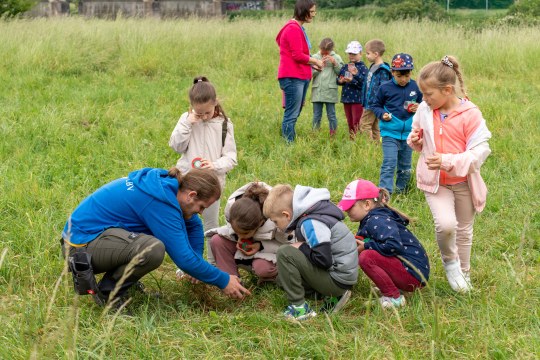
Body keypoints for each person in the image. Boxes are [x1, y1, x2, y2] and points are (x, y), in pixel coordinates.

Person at [61, 167, 250, 308]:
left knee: (146, 243)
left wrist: (198, 262)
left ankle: (126, 285)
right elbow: (184, 259)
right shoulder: (160, 203)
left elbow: (193, 224)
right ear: (191, 195)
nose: (200, 213)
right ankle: (109, 293)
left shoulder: (168, 187)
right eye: (201, 207)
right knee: (152, 249)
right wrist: (223, 280)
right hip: (79, 248)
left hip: (97, 238)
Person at [408, 55, 491, 293]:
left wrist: (447, 161)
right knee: (446, 225)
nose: (423, 99)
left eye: (428, 94)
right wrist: (415, 139)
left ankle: (464, 274)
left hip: (464, 181)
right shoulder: (425, 110)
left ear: (447, 90)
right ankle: (451, 263)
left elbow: (479, 152)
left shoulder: (470, 114)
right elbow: (416, 133)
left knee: (464, 230)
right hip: (435, 183)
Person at [263, 184, 358, 320]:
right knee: (282, 279)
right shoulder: (312, 214)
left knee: (285, 252)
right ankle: (332, 297)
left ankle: (299, 309)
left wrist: (301, 247)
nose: (276, 226)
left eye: (275, 221)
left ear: (286, 215)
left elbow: (323, 260)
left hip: (338, 280)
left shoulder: (311, 222)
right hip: (341, 276)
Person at [169, 76, 237, 265]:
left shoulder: (224, 124)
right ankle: (187, 265)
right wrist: (188, 123)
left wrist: (214, 165)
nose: (204, 117)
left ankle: (211, 264)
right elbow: (176, 146)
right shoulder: (186, 120)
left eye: (207, 112)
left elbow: (231, 158)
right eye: (199, 113)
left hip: (211, 185)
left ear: (215, 103)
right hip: (187, 183)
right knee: (184, 224)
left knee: (210, 225)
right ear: (191, 107)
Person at [337, 179, 430, 308]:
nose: (346, 211)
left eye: (351, 206)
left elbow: (394, 245)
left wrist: (366, 246)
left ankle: (393, 297)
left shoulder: (377, 220)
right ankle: (394, 287)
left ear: (367, 204)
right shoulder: (373, 217)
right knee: (367, 253)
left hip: (413, 275)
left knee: (367, 257)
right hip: (413, 272)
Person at [206, 182, 291, 285]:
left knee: (263, 268)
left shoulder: (276, 216)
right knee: (217, 241)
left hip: (270, 254)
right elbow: (232, 231)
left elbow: (289, 247)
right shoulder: (233, 208)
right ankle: (231, 283)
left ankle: (272, 279)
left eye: (245, 233)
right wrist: (235, 236)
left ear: (260, 224)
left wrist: (261, 246)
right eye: (237, 231)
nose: (240, 237)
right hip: (248, 252)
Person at [372, 53, 423, 194]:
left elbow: (425, 104)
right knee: (389, 163)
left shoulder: (416, 87)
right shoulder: (385, 88)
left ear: (411, 73)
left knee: (405, 166)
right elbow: (375, 105)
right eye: (399, 76)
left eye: (407, 76)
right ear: (392, 72)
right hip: (390, 132)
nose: (403, 80)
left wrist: (419, 107)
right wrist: (383, 115)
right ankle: (386, 193)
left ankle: (401, 191)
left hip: (409, 134)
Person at [276, 0, 324, 143]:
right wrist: (315, 61)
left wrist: (311, 65)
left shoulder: (298, 28)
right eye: (312, 11)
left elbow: (295, 56)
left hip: (299, 75)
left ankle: (289, 140)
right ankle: (288, 144)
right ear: (304, 11)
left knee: (295, 112)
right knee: (291, 113)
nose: (314, 15)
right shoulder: (293, 29)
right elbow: (297, 55)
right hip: (292, 77)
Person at [359, 39, 392, 142]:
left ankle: (368, 146)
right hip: (369, 102)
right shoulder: (373, 66)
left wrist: (379, 102)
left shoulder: (383, 70)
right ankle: (376, 146)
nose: (366, 56)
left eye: (368, 53)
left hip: (374, 103)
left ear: (376, 54)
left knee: (364, 124)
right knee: (374, 126)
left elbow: (384, 88)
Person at [311, 37, 344, 136]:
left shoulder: (337, 57)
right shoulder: (314, 57)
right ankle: (315, 134)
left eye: (327, 52)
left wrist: (335, 63)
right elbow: (310, 74)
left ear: (331, 50)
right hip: (318, 90)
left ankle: (333, 134)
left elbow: (341, 73)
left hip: (330, 90)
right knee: (316, 115)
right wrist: (319, 67)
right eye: (322, 51)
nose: (324, 54)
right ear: (319, 48)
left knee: (331, 115)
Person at [337, 40, 368, 139]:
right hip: (346, 98)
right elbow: (338, 79)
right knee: (349, 121)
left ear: (360, 54)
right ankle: (352, 139)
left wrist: (352, 80)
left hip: (358, 99)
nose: (352, 56)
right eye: (350, 53)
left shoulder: (363, 68)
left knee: (356, 121)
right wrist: (341, 81)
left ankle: (358, 140)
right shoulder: (345, 66)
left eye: (354, 54)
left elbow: (364, 83)